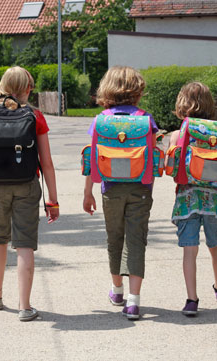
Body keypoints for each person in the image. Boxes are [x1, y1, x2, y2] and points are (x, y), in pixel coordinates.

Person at [0, 66, 59, 322]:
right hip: (27, 185)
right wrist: (52, 201)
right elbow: (48, 163)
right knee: (24, 244)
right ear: (27, 88)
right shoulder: (36, 116)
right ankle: (25, 306)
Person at [83, 66, 159, 320]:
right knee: (136, 239)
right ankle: (134, 301)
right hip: (140, 188)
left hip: (110, 188)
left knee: (114, 237)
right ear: (137, 91)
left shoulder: (101, 121)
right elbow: (154, 156)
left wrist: (88, 192)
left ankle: (117, 291)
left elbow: (91, 159)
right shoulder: (145, 120)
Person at [166, 82, 217, 316]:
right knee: (215, 246)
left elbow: (171, 170)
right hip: (214, 199)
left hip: (186, 199)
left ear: (182, 103)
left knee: (189, 250)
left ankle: (192, 300)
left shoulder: (178, 134)